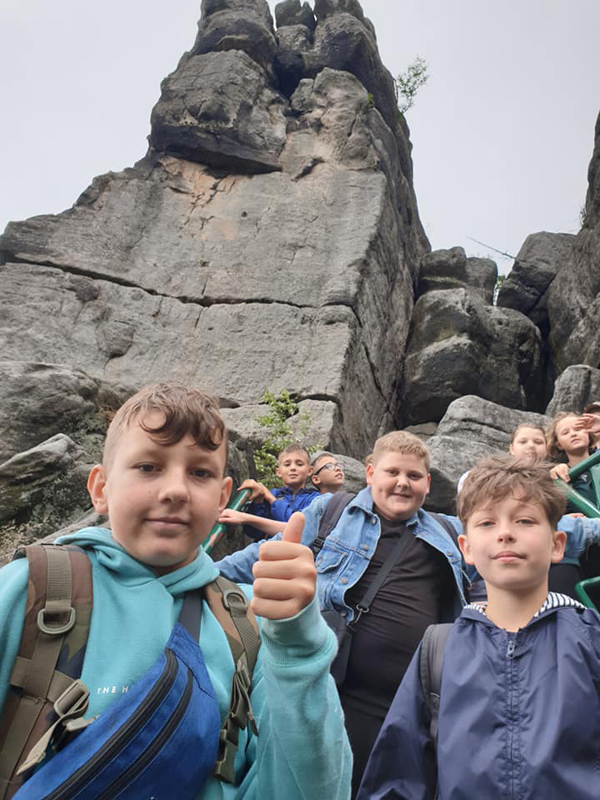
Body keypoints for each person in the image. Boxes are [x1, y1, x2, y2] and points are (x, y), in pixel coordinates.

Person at [0, 384, 351, 799]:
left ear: (223, 498)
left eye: (200, 473)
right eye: (148, 466)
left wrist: (298, 646)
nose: (176, 490)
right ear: (100, 489)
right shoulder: (30, 587)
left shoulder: (252, 623)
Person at [217, 430, 600, 796]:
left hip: (418, 699)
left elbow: (524, 526)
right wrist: (207, 575)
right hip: (334, 689)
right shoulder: (332, 511)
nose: (403, 482)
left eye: (414, 476)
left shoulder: (447, 531)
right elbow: (265, 555)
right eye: (393, 472)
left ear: (428, 484)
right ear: (371, 474)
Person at [358, 455, 600, 800]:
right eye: (487, 523)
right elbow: (398, 777)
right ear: (466, 549)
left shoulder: (591, 638)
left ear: (557, 544)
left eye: (525, 520)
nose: (505, 533)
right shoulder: (439, 649)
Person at [219, 444, 318, 540]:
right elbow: (253, 532)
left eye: (299, 464)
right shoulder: (273, 493)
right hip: (266, 547)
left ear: (309, 471)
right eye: (287, 464)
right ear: (278, 472)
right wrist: (258, 501)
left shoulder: (316, 499)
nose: (293, 468)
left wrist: (271, 499)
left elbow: (296, 526)